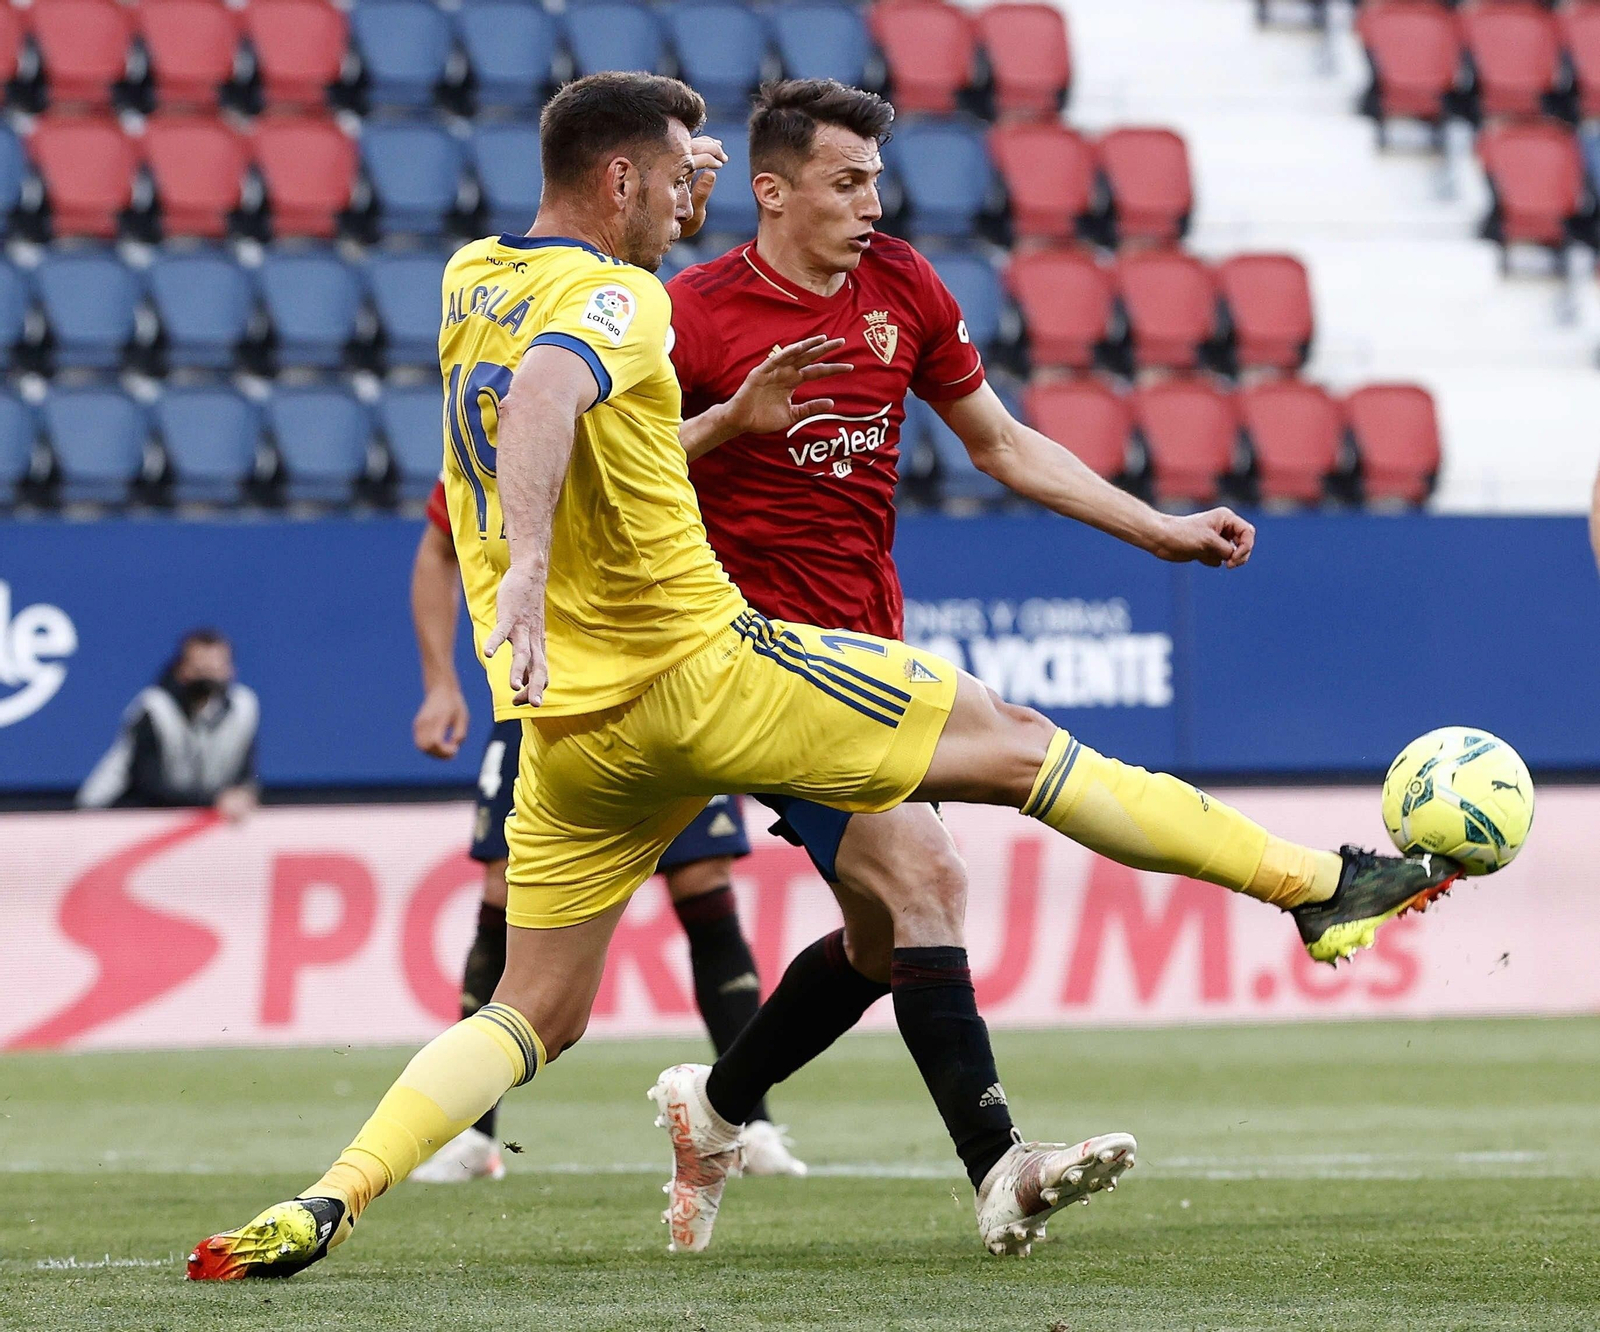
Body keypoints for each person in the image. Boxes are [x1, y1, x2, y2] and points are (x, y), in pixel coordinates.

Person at [186, 72, 1460, 1281]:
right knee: (1012, 756)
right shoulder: (643, 304)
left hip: (574, 724)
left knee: (539, 1010)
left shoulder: (475, 275)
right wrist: (525, 558)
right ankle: (1315, 888)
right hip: (716, 668)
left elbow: (574, 414)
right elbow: (546, 399)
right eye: (685, 170)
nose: (699, 189)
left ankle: (333, 1196)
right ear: (621, 178)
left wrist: (697, 446)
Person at [405, 477, 802, 1181]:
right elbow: (439, 547)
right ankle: (472, 1137)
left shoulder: (649, 398)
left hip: (669, 680)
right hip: (544, 694)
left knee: (704, 883)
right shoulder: (497, 423)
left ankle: (751, 1123)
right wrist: (441, 681)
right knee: (505, 890)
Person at [78, 627, 258, 820]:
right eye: (199, 670)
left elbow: (244, 775)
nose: (207, 679)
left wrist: (242, 795)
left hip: (198, 812)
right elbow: (148, 786)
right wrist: (214, 801)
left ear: (231, 671)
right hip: (114, 811)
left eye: (215, 669)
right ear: (182, 670)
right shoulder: (154, 708)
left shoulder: (244, 706)